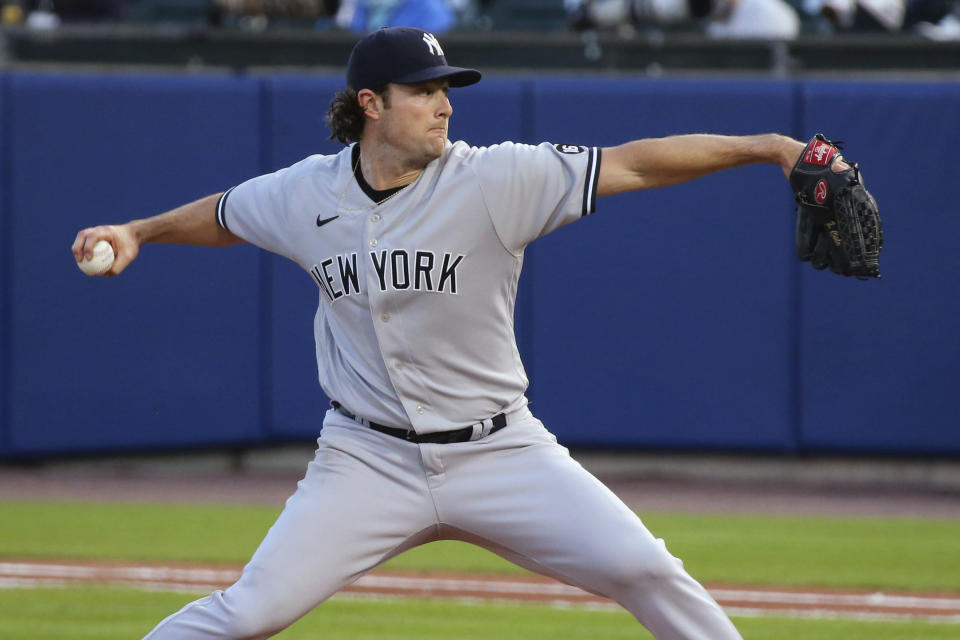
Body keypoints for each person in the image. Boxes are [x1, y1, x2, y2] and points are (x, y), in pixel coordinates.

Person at [73, 26, 812, 640]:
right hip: (366, 460)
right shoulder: (306, 192)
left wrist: (771, 147)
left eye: (446, 90)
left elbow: (637, 163)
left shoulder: (494, 179)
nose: (443, 106)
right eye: (423, 90)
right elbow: (227, 214)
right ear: (371, 103)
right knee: (247, 615)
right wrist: (140, 231)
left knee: (649, 572)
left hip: (500, 452)